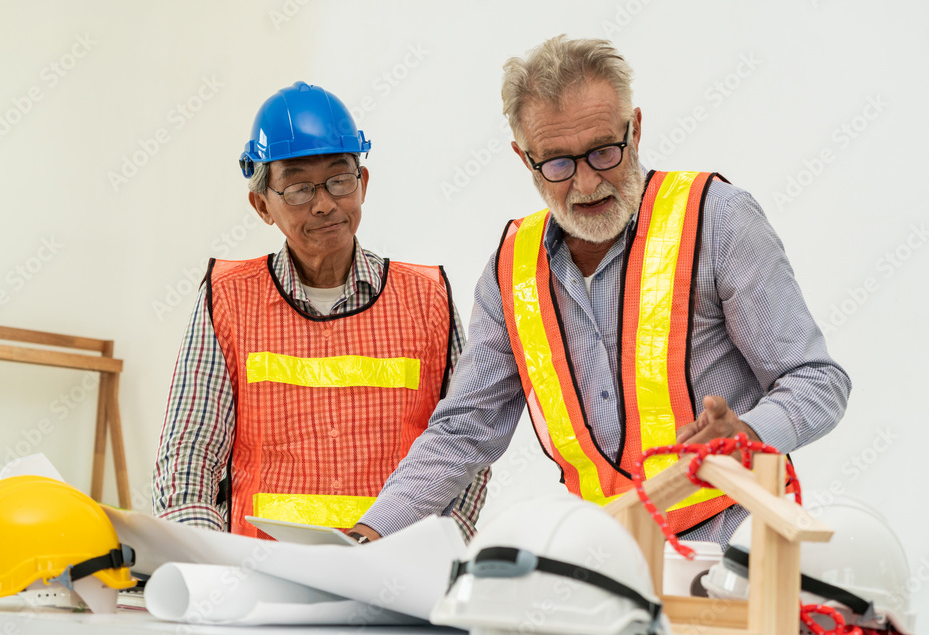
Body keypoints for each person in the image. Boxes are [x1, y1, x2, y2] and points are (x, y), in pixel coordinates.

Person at [351, 36, 850, 545]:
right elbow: (463, 432)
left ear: (634, 130)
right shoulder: (511, 267)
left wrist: (750, 434)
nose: (587, 184)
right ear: (525, 159)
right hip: (610, 561)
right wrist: (368, 536)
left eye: (604, 152)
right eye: (558, 163)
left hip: (739, 550)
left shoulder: (717, 219)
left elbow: (817, 381)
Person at [152, 81, 489, 541]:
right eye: (298, 189)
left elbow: (466, 443)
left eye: (339, 179)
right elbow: (189, 456)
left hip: (391, 577)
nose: (326, 203)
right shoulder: (228, 298)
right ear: (261, 205)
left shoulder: (426, 299)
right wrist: (206, 562)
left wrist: (437, 549)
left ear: (363, 185)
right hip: (262, 576)